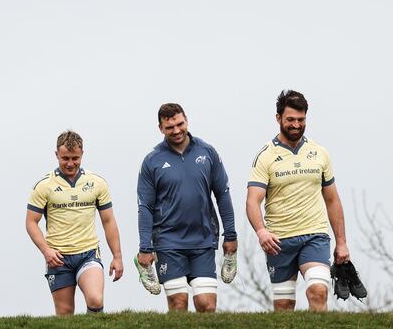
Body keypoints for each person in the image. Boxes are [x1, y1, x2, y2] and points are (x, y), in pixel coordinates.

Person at [247, 90, 350, 311]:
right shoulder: (265, 156)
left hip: (315, 235)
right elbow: (252, 201)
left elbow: (332, 199)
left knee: (318, 292)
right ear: (278, 118)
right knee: (284, 306)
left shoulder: (319, 152)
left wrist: (341, 242)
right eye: (290, 120)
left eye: (301, 120)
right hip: (279, 241)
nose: (296, 125)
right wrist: (261, 231)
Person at [136, 103, 238, 312]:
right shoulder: (152, 161)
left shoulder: (207, 152)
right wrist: (145, 247)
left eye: (179, 124)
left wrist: (231, 234)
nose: (176, 130)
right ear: (160, 128)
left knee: (206, 304)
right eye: (169, 127)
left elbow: (223, 195)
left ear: (186, 120)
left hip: (202, 239)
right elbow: (145, 207)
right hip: (168, 241)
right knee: (178, 303)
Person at [26, 130, 124, 315]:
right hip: (58, 258)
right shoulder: (44, 185)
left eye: (75, 158)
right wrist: (46, 251)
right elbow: (31, 222)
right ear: (56, 155)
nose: (70, 163)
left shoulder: (97, 183)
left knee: (96, 300)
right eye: (65, 158)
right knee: (65, 314)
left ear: (82, 154)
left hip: (88, 253)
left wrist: (117, 256)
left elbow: (108, 220)